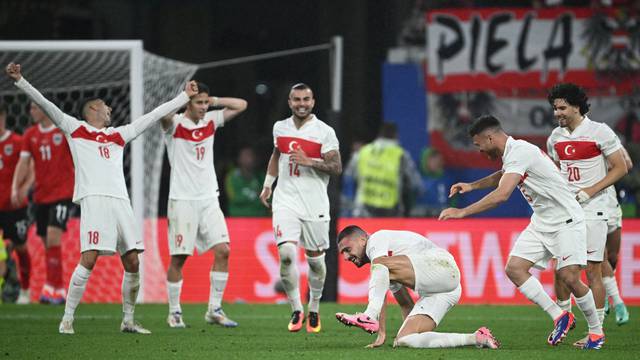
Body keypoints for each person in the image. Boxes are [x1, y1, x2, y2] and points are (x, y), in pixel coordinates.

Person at [6, 62, 197, 334]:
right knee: (90, 257)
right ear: (94, 109)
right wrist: (21, 80)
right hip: (94, 200)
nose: (110, 109)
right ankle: (67, 319)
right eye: (105, 105)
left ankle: (128, 320)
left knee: (132, 260)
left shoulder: (117, 136)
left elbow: (153, 116)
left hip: (121, 202)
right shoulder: (75, 128)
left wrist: (182, 98)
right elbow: (46, 104)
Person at [439, 115, 605, 350]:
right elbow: (503, 176)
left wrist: (462, 212)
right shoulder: (513, 153)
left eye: (478, 145)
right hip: (542, 221)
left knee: (569, 277)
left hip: (566, 219)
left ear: (489, 137)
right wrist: (472, 186)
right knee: (514, 268)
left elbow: (502, 194)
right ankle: (560, 316)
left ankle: (596, 334)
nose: (479, 150)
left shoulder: (520, 151)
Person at [546, 83, 628, 345]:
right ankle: (563, 321)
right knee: (561, 268)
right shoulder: (555, 138)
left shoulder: (599, 132)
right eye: (555, 108)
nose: (557, 113)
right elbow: (559, 170)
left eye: (562, 107)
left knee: (593, 269)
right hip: (567, 209)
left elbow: (621, 167)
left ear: (577, 106)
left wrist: (590, 190)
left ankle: (596, 333)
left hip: (595, 207)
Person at [161, 82, 247, 328]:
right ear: (187, 103)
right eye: (198, 103)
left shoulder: (210, 120)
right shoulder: (175, 124)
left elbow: (242, 105)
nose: (203, 107)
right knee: (179, 258)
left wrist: (213, 99)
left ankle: (214, 309)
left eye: (205, 103)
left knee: (224, 251)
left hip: (209, 198)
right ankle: (175, 312)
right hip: (182, 200)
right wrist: (183, 97)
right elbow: (163, 116)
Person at [259, 83, 341, 333]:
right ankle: (296, 308)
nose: (301, 104)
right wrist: (268, 184)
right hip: (285, 201)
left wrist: (310, 161)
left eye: (306, 99)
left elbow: (336, 167)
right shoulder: (279, 127)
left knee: (316, 263)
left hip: (315, 204)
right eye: (297, 99)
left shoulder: (324, 132)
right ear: (290, 102)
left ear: (313, 101)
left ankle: (313, 308)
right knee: (285, 255)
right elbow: (277, 155)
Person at [335, 226, 500, 350]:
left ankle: (368, 316)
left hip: (442, 267)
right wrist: (382, 335)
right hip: (446, 291)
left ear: (362, 240)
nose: (346, 257)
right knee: (405, 340)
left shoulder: (376, 239)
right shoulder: (389, 268)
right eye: (342, 254)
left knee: (379, 266)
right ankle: (477, 338)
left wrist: (371, 316)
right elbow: (405, 303)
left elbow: (379, 266)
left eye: (347, 250)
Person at [11, 101, 75, 305]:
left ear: (45, 110)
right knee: (47, 243)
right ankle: (53, 288)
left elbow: (77, 157)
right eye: (29, 108)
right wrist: (16, 186)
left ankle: (56, 289)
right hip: (41, 196)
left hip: (63, 193)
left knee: (54, 237)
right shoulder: (30, 134)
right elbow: (23, 163)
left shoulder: (63, 131)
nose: (31, 111)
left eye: (34, 108)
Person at [345, 122, 423, 217]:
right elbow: (416, 184)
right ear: (396, 136)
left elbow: (348, 177)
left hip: (363, 212)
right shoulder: (401, 155)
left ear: (379, 135)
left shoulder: (362, 153)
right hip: (391, 214)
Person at [0, 102, 32, 304]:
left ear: (2, 117)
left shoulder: (17, 141)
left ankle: (25, 291)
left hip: (14, 207)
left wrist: (24, 187)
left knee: (21, 248)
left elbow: (31, 166)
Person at [601, 149, 632, 325]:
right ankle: (618, 302)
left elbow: (627, 164)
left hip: (611, 206)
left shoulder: (603, 138)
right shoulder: (557, 139)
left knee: (612, 257)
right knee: (599, 258)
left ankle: (604, 293)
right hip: (588, 206)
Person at [411, 147, 457, 217]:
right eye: (432, 160)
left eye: (438, 160)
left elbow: (454, 199)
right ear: (425, 161)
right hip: (421, 214)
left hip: (441, 213)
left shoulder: (448, 178)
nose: (436, 163)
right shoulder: (416, 178)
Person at [224, 146, 269, 217]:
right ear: (239, 159)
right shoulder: (232, 177)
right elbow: (234, 198)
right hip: (238, 219)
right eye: (246, 155)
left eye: (251, 155)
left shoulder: (262, 177)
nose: (249, 159)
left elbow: (268, 199)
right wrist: (255, 195)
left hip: (260, 219)